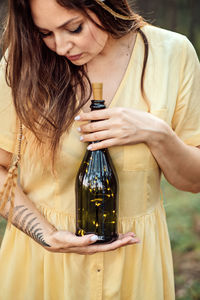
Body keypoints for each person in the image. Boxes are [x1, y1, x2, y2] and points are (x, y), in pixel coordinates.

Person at [0, 0, 200, 299]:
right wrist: (47, 234)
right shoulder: (22, 63)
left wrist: (157, 133)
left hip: (137, 268)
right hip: (43, 266)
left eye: (74, 28)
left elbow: (192, 181)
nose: (61, 46)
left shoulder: (173, 54)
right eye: (45, 33)